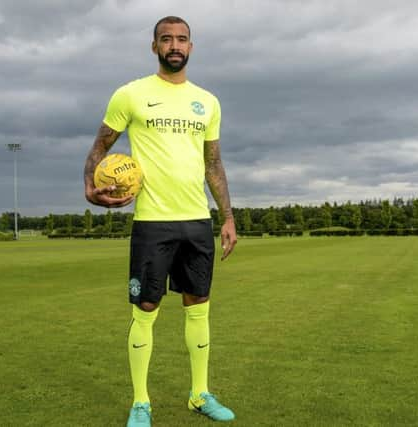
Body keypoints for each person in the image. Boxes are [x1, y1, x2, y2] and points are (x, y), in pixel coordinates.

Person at [83, 16, 237, 427]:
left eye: (182, 39)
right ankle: (140, 403)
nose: (174, 45)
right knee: (146, 307)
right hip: (153, 222)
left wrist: (227, 217)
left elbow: (213, 163)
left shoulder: (208, 102)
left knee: (199, 307)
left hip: (196, 221)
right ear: (154, 47)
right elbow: (101, 144)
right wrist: (88, 185)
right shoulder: (131, 95)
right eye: (166, 39)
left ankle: (199, 395)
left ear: (191, 46)